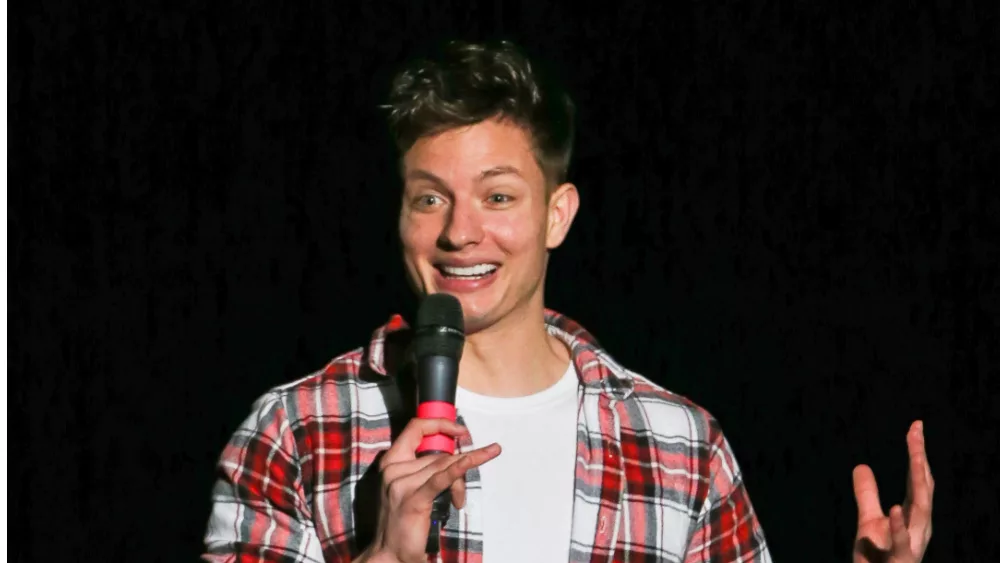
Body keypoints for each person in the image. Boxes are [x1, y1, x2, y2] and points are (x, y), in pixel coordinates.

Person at [203, 40, 934, 563]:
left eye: (497, 196)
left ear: (557, 214)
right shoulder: (295, 431)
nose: (461, 232)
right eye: (431, 198)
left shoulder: (680, 445)